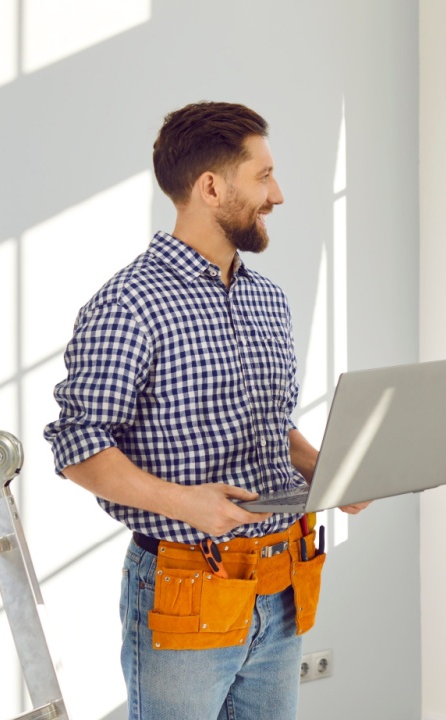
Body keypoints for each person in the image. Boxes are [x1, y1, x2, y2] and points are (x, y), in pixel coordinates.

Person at [44, 101, 366, 719]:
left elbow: (272, 424)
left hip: (281, 580)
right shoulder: (129, 304)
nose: (278, 194)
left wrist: (326, 469)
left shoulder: (268, 300)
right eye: (263, 176)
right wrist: (186, 502)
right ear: (211, 187)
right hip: (185, 585)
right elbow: (79, 444)